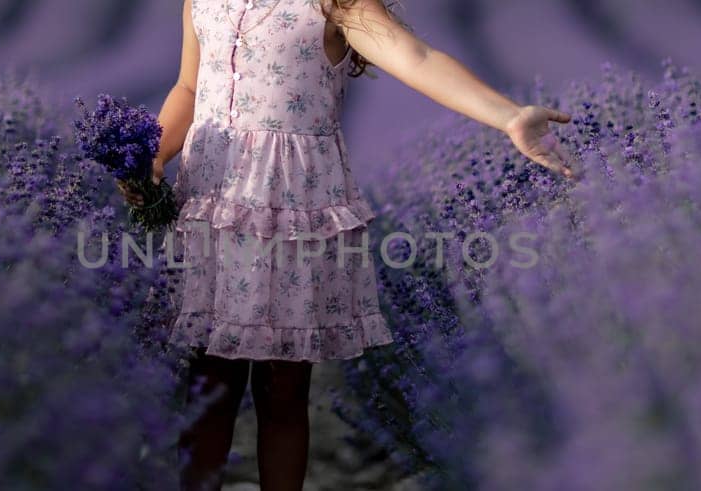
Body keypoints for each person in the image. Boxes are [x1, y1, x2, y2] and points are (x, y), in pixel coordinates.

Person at [117, 1, 576, 488]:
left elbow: (415, 56)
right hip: (215, 197)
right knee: (209, 383)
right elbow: (189, 86)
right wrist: (155, 153)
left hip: (292, 205)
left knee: (283, 388)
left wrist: (508, 116)